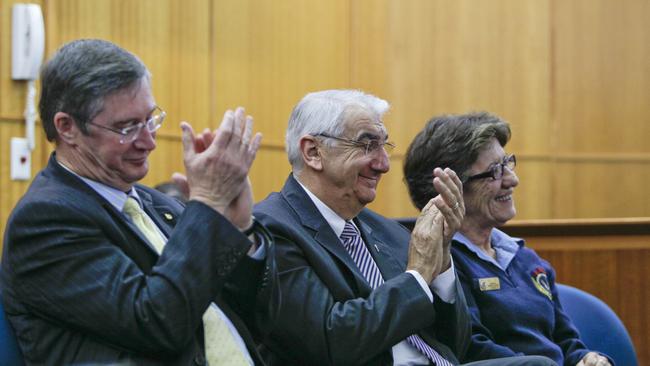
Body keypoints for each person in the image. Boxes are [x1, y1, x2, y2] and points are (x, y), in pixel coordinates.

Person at [1, 39, 277, 365]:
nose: (148, 141)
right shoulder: (45, 220)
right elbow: (158, 323)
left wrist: (239, 227)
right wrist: (207, 205)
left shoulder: (159, 205)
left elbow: (257, 321)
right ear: (67, 127)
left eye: (150, 119)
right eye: (127, 127)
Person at [253, 90, 556, 366]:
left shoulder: (386, 230)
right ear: (313, 152)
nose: (384, 164)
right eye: (367, 145)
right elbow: (331, 341)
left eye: (383, 146)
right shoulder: (272, 227)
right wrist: (419, 274)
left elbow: (458, 346)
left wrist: (442, 264)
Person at [403, 112, 612, 366]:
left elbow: (566, 342)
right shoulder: (441, 263)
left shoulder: (526, 258)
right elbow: (470, 347)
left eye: (508, 163)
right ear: (449, 189)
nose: (512, 180)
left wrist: (588, 359)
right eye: (495, 171)